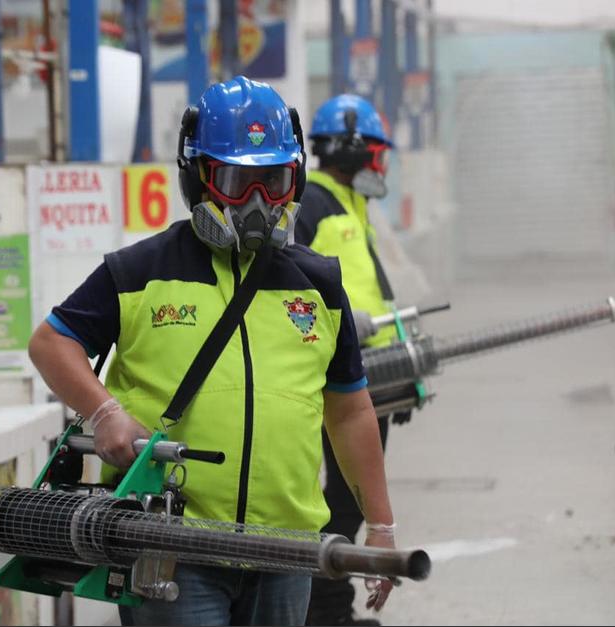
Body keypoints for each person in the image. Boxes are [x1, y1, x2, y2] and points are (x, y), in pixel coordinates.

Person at [28, 76, 396, 626]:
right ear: (198, 178)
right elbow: (51, 342)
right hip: (172, 547)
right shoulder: (139, 273)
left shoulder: (318, 286)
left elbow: (349, 411)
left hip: (286, 550)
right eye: (236, 181)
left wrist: (382, 525)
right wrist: (104, 411)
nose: (257, 203)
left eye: (273, 182)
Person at [297, 94, 401, 627]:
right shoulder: (314, 204)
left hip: (369, 373)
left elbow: (369, 289)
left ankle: (332, 611)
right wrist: (340, 322)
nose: (380, 164)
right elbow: (289, 281)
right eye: (376, 152)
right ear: (354, 148)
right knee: (337, 507)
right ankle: (325, 614)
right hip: (335, 380)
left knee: (349, 504)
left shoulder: (349, 205)